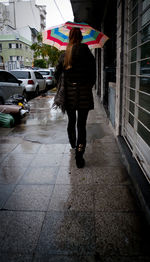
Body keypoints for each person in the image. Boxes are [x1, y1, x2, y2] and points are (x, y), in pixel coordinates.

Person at [54, 27, 96, 168]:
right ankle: (79, 155)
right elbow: (93, 75)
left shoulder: (65, 53)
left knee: (71, 121)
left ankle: (73, 144)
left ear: (70, 37)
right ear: (81, 37)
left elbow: (56, 73)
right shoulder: (87, 52)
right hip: (84, 92)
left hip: (68, 95)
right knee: (81, 125)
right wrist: (87, 86)